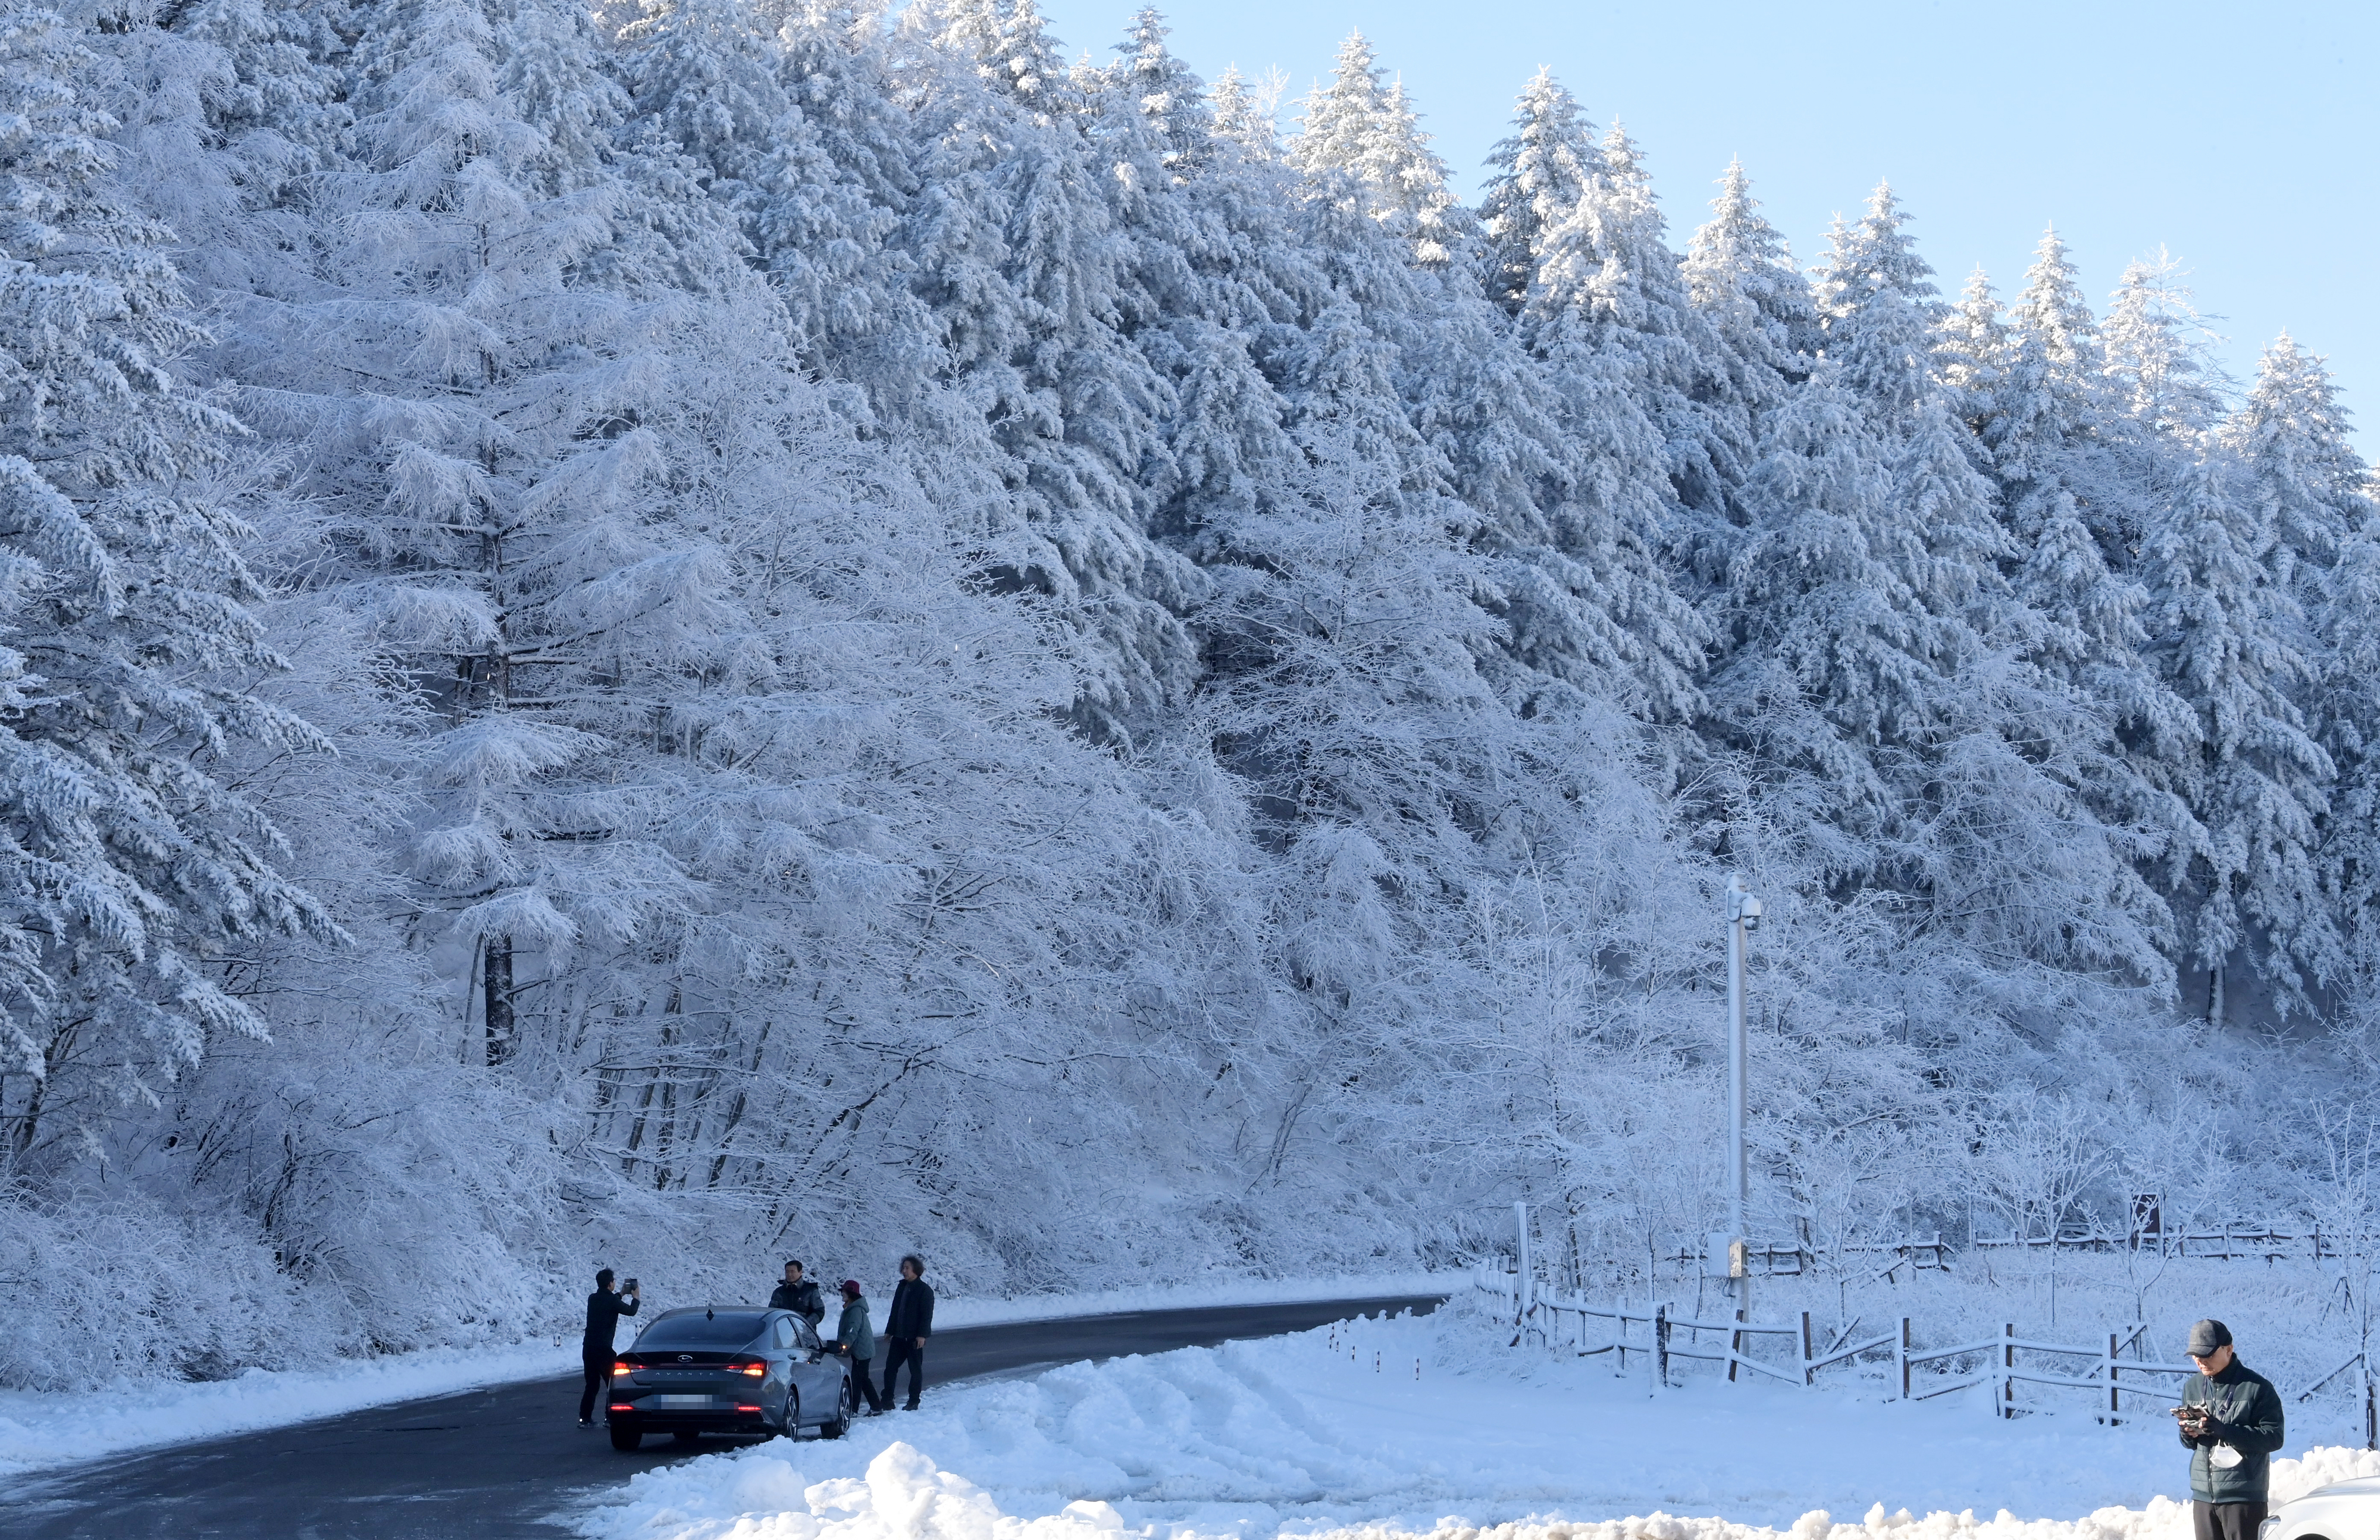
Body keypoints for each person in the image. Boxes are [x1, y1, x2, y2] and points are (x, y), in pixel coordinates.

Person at [2176, 1318, 2285, 1540]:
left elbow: (2274, 1438)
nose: (2201, 1361)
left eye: (2208, 1355)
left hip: (2244, 1498)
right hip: (2203, 1497)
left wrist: (2226, 1431)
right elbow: (2192, 1445)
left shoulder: (2257, 1388)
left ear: (2229, 1349)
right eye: (2196, 1356)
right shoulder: (2192, 1386)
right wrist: (2187, 1433)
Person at [577, 1268, 640, 1426]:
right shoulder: (612, 1301)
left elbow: (610, 1302)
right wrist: (636, 1298)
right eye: (614, 1281)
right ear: (610, 1283)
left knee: (591, 1384)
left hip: (589, 1347)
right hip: (604, 1349)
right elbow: (631, 1311)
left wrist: (621, 1294)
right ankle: (610, 1418)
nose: (615, 1283)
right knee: (612, 1383)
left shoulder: (593, 1298)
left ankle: (584, 1419)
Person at [882, 1254, 934, 1411]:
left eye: (907, 1268)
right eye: (903, 1268)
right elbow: (895, 1311)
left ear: (916, 1271)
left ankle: (913, 1401)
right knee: (890, 1368)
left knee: (915, 1370)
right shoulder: (901, 1287)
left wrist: (922, 1335)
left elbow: (927, 1315)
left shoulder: (925, 1291)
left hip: (913, 1338)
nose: (904, 1271)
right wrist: (889, 1330)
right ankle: (887, 1399)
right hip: (898, 1336)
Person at [826, 1279, 885, 1414]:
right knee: (863, 1379)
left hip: (862, 1351)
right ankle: (876, 1407)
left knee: (857, 1380)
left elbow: (853, 1330)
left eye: (844, 1292)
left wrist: (844, 1345)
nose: (842, 1294)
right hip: (861, 1350)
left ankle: (853, 1410)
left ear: (851, 1294)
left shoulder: (856, 1310)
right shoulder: (852, 1308)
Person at [769, 1260, 825, 1328]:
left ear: (800, 1272)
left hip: (805, 1334)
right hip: (783, 1332)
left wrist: (804, 1324)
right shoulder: (779, 1292)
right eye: (787, 1272)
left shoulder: (811, 1291)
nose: (789, 1274)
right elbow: (771, 1312)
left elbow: (819, 1312)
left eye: (793, 1272)